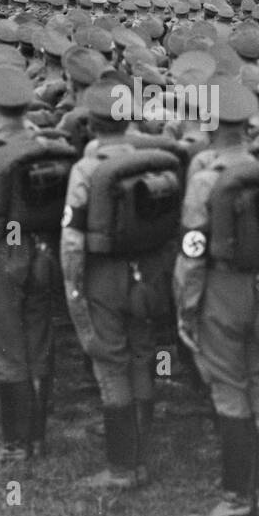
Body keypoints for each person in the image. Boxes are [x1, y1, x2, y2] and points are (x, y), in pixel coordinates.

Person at [175, 80, 259, 516]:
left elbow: (193, 250)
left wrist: (187, 308)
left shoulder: (206, 177)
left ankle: (237, 496)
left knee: (230, 391)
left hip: (223, 290)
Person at [61, 79, 180, 488]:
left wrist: (74, 290)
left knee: (111, 366)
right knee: (143, 354)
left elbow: (73, 241)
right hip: (148, 271)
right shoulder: (156, 158)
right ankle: (141, 454)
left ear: (92, 124)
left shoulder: (87, 169)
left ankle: (122, 468)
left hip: (104, 277)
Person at [0, 65, 69, 462]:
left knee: (8, 346)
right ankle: (37, 438)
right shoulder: (49, 144)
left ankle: (16, 443)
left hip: (3, 251)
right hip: (42, 248)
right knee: (39, 340)